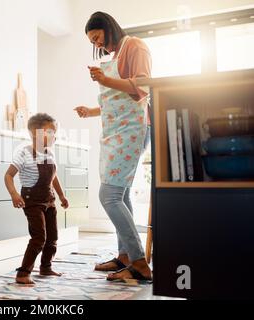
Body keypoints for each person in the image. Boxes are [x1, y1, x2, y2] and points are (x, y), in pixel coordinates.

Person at [74, 12, 152, 282]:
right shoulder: (117, 55)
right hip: (118, 130)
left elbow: (142, 87)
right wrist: (91, 111)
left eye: (97, 38)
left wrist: (104, 80)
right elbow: (116, 102)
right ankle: (125, 257)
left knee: (109, 195)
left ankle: (140, 263)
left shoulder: (135, 46)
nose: (98, 45)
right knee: (122, 195)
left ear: (107, 28)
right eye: (93, 43)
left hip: (133, 130)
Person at [4, 113, 69, 285]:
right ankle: (23, 273)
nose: (54, 135)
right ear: (35, 134)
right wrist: (14, 194)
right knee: (39, 237)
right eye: (50, 132)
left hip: (49, 199)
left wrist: (61, 195)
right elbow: (9, 175)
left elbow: (53, 177)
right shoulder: (24, 153)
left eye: (54, 132)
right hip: (31, 200)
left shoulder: (50, 153)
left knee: (52, 236)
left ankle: (46, 267)